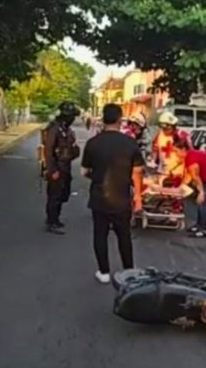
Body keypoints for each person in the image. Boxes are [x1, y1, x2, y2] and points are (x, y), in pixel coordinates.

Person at [81, 103, 144, 284]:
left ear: (103, 118)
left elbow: (84, 171)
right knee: (124, 235)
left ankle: (104, 272)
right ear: (119, 119)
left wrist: (97, 176)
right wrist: (138, 198)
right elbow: (137, 172)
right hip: (122, 198)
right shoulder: (130, 143)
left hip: (99, 197)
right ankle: (129, 271)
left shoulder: (93, 143)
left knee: (99, 234)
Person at [174, 133, 206, 238]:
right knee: (200, 202)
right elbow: (188, 177)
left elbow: (196, 177)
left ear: (183, 149)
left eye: (176, 151)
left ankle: (203, 229)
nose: (176, 154)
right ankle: (198, 225)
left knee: (204, 201)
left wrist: (202, 192)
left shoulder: (191, 159)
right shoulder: (190, 156)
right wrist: (180, 188)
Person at [42, 101, 81, 234]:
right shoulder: (54, 129)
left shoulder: (66, 129)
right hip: (57, 167)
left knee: (63, 194)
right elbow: (48, 151)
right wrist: (52, 170)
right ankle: (51, 222)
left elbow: (70, 148)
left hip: (65, 165)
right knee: (54, 196)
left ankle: (55, 218)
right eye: (71, 116)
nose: (73, 119)